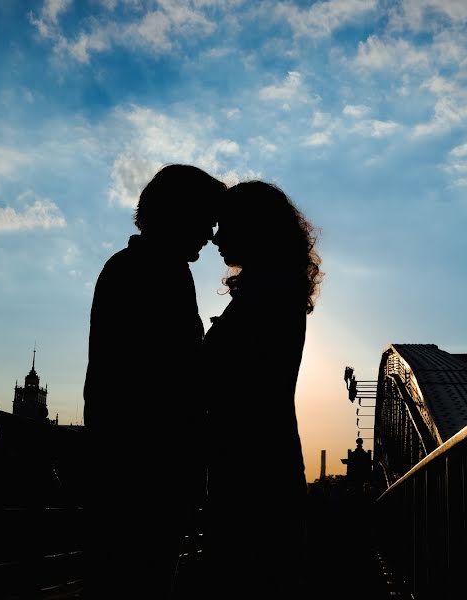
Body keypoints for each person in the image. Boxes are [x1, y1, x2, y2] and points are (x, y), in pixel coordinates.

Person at [81, 164, 225, 599]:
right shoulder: (155, 271)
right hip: (147, 465)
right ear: (179, 214)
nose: (211, 233)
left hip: (131, 463)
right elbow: (169, 374)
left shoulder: (137, 266)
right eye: (206, 219)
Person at [202, 180, 322, 598]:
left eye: (226, 225)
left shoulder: (264, 295)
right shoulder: (276, 290)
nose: (215, 237)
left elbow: (228, 381)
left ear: (254, 229)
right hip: (264, 463)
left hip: (249, 473)